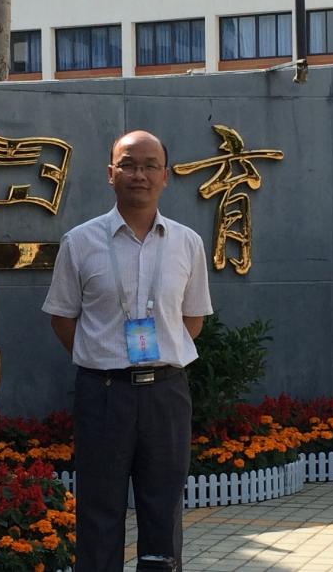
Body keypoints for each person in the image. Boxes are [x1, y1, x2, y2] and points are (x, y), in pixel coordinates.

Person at [42, 129, 212, 572]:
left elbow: (192, 320)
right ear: (110, 173)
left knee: (163, 508)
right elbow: (63, 318)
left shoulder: (187, 243)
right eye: (129, 165)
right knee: (99, 508)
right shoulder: (80, 242)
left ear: (165, 176)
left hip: (166, 394)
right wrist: (102, 357)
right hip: (103, 394)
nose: (140, 174)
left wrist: (157, 356)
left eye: (150, 166)